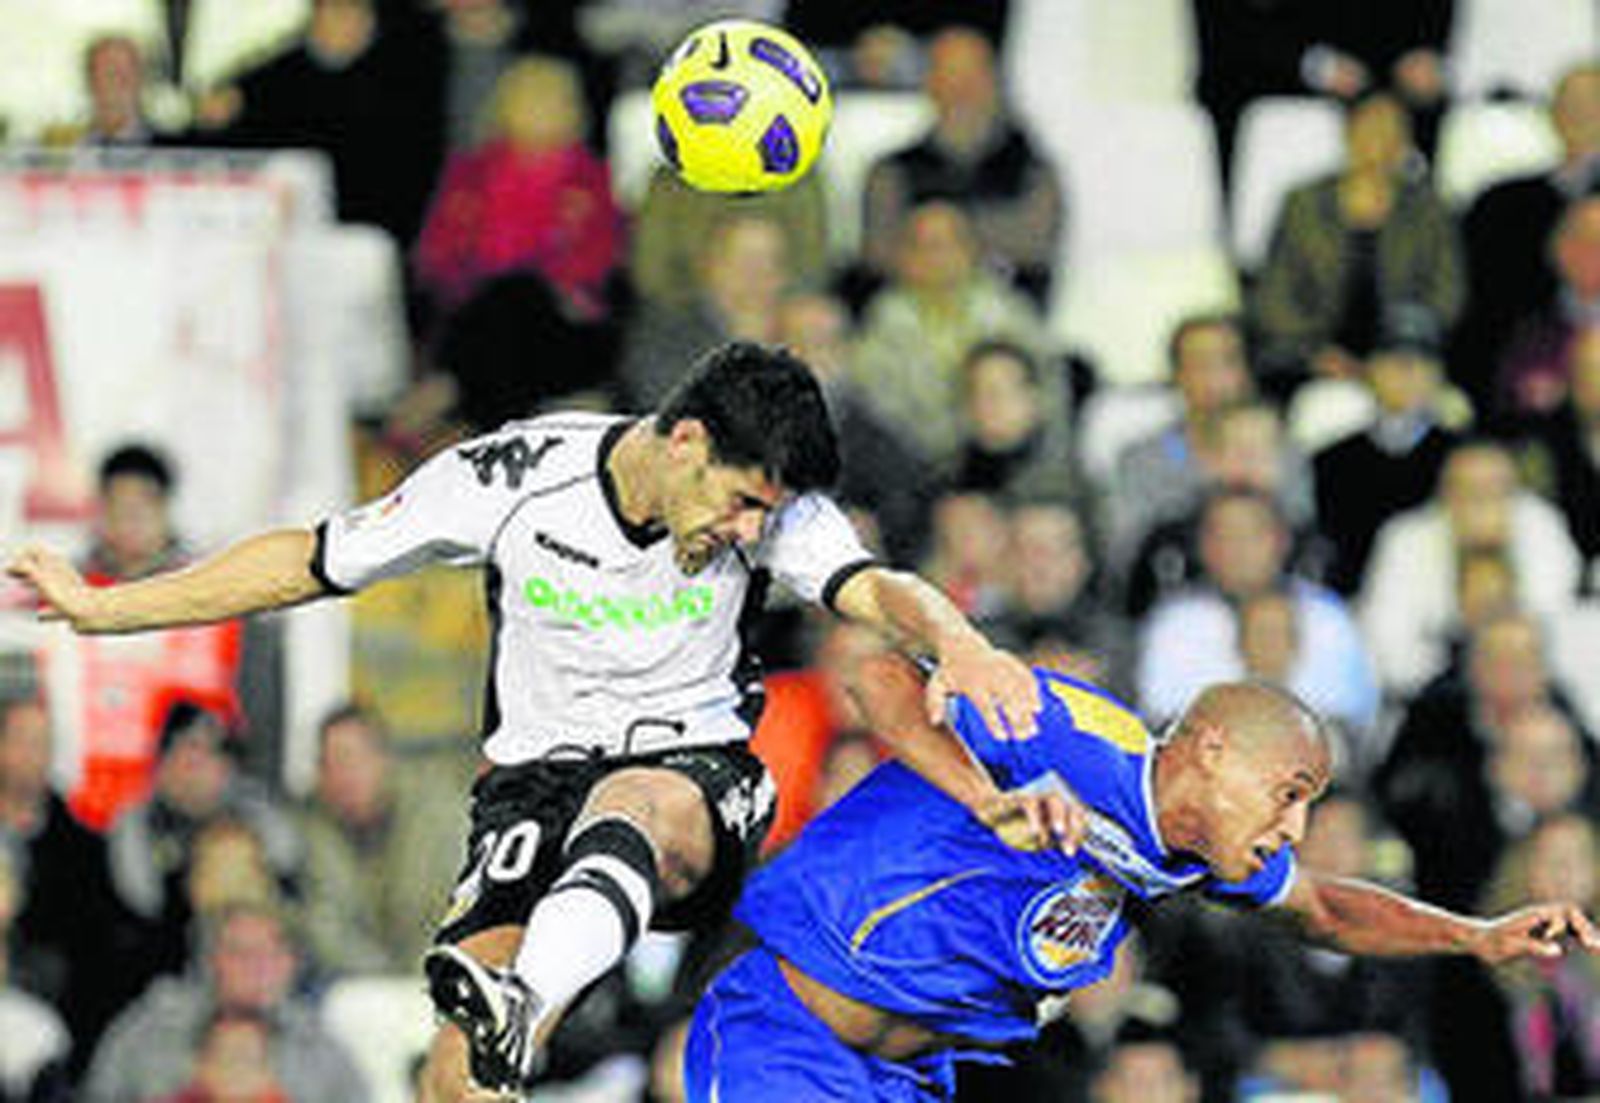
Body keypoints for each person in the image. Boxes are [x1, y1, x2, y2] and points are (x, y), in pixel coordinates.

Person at [8, 342, 1039, 1099]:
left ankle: (525, 995)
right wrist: (108, 605)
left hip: (694, 779)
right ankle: (505, 1016)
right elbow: (308, 558)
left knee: (632, 807)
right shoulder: (510, 479)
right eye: (737, 504)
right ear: (684, 442)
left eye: (765, 517)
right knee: (454, 1080)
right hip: (533, 788)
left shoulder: (772, 505)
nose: (749, 532)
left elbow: (879, 590)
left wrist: (959, 640)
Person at [682, 655, 1600, 1101]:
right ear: (1209, 752)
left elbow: (1323, 906)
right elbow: (882, 678)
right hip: (788, 1042)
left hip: (911, 1081)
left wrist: (1473, 934)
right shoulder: (1077, 733)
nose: (1294, 826)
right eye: (1287, 793)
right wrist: (984, 795)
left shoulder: (1185, 853)